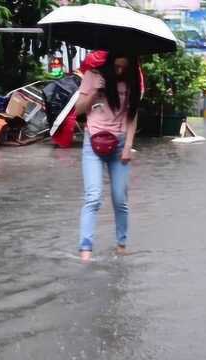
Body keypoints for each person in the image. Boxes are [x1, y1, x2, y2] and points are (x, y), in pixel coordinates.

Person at [74, 52, 141, 261]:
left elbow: (132, 115)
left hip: (119, 143)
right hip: (93, 141)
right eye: (117, 67)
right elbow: (78, 111)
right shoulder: (93, 76)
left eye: (124, 68)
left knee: (120, 199)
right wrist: (96, 91)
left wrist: (128, 146)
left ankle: (121, 245)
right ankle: (85, 249)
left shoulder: (133, 80)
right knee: (93, 197)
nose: (119, 71)